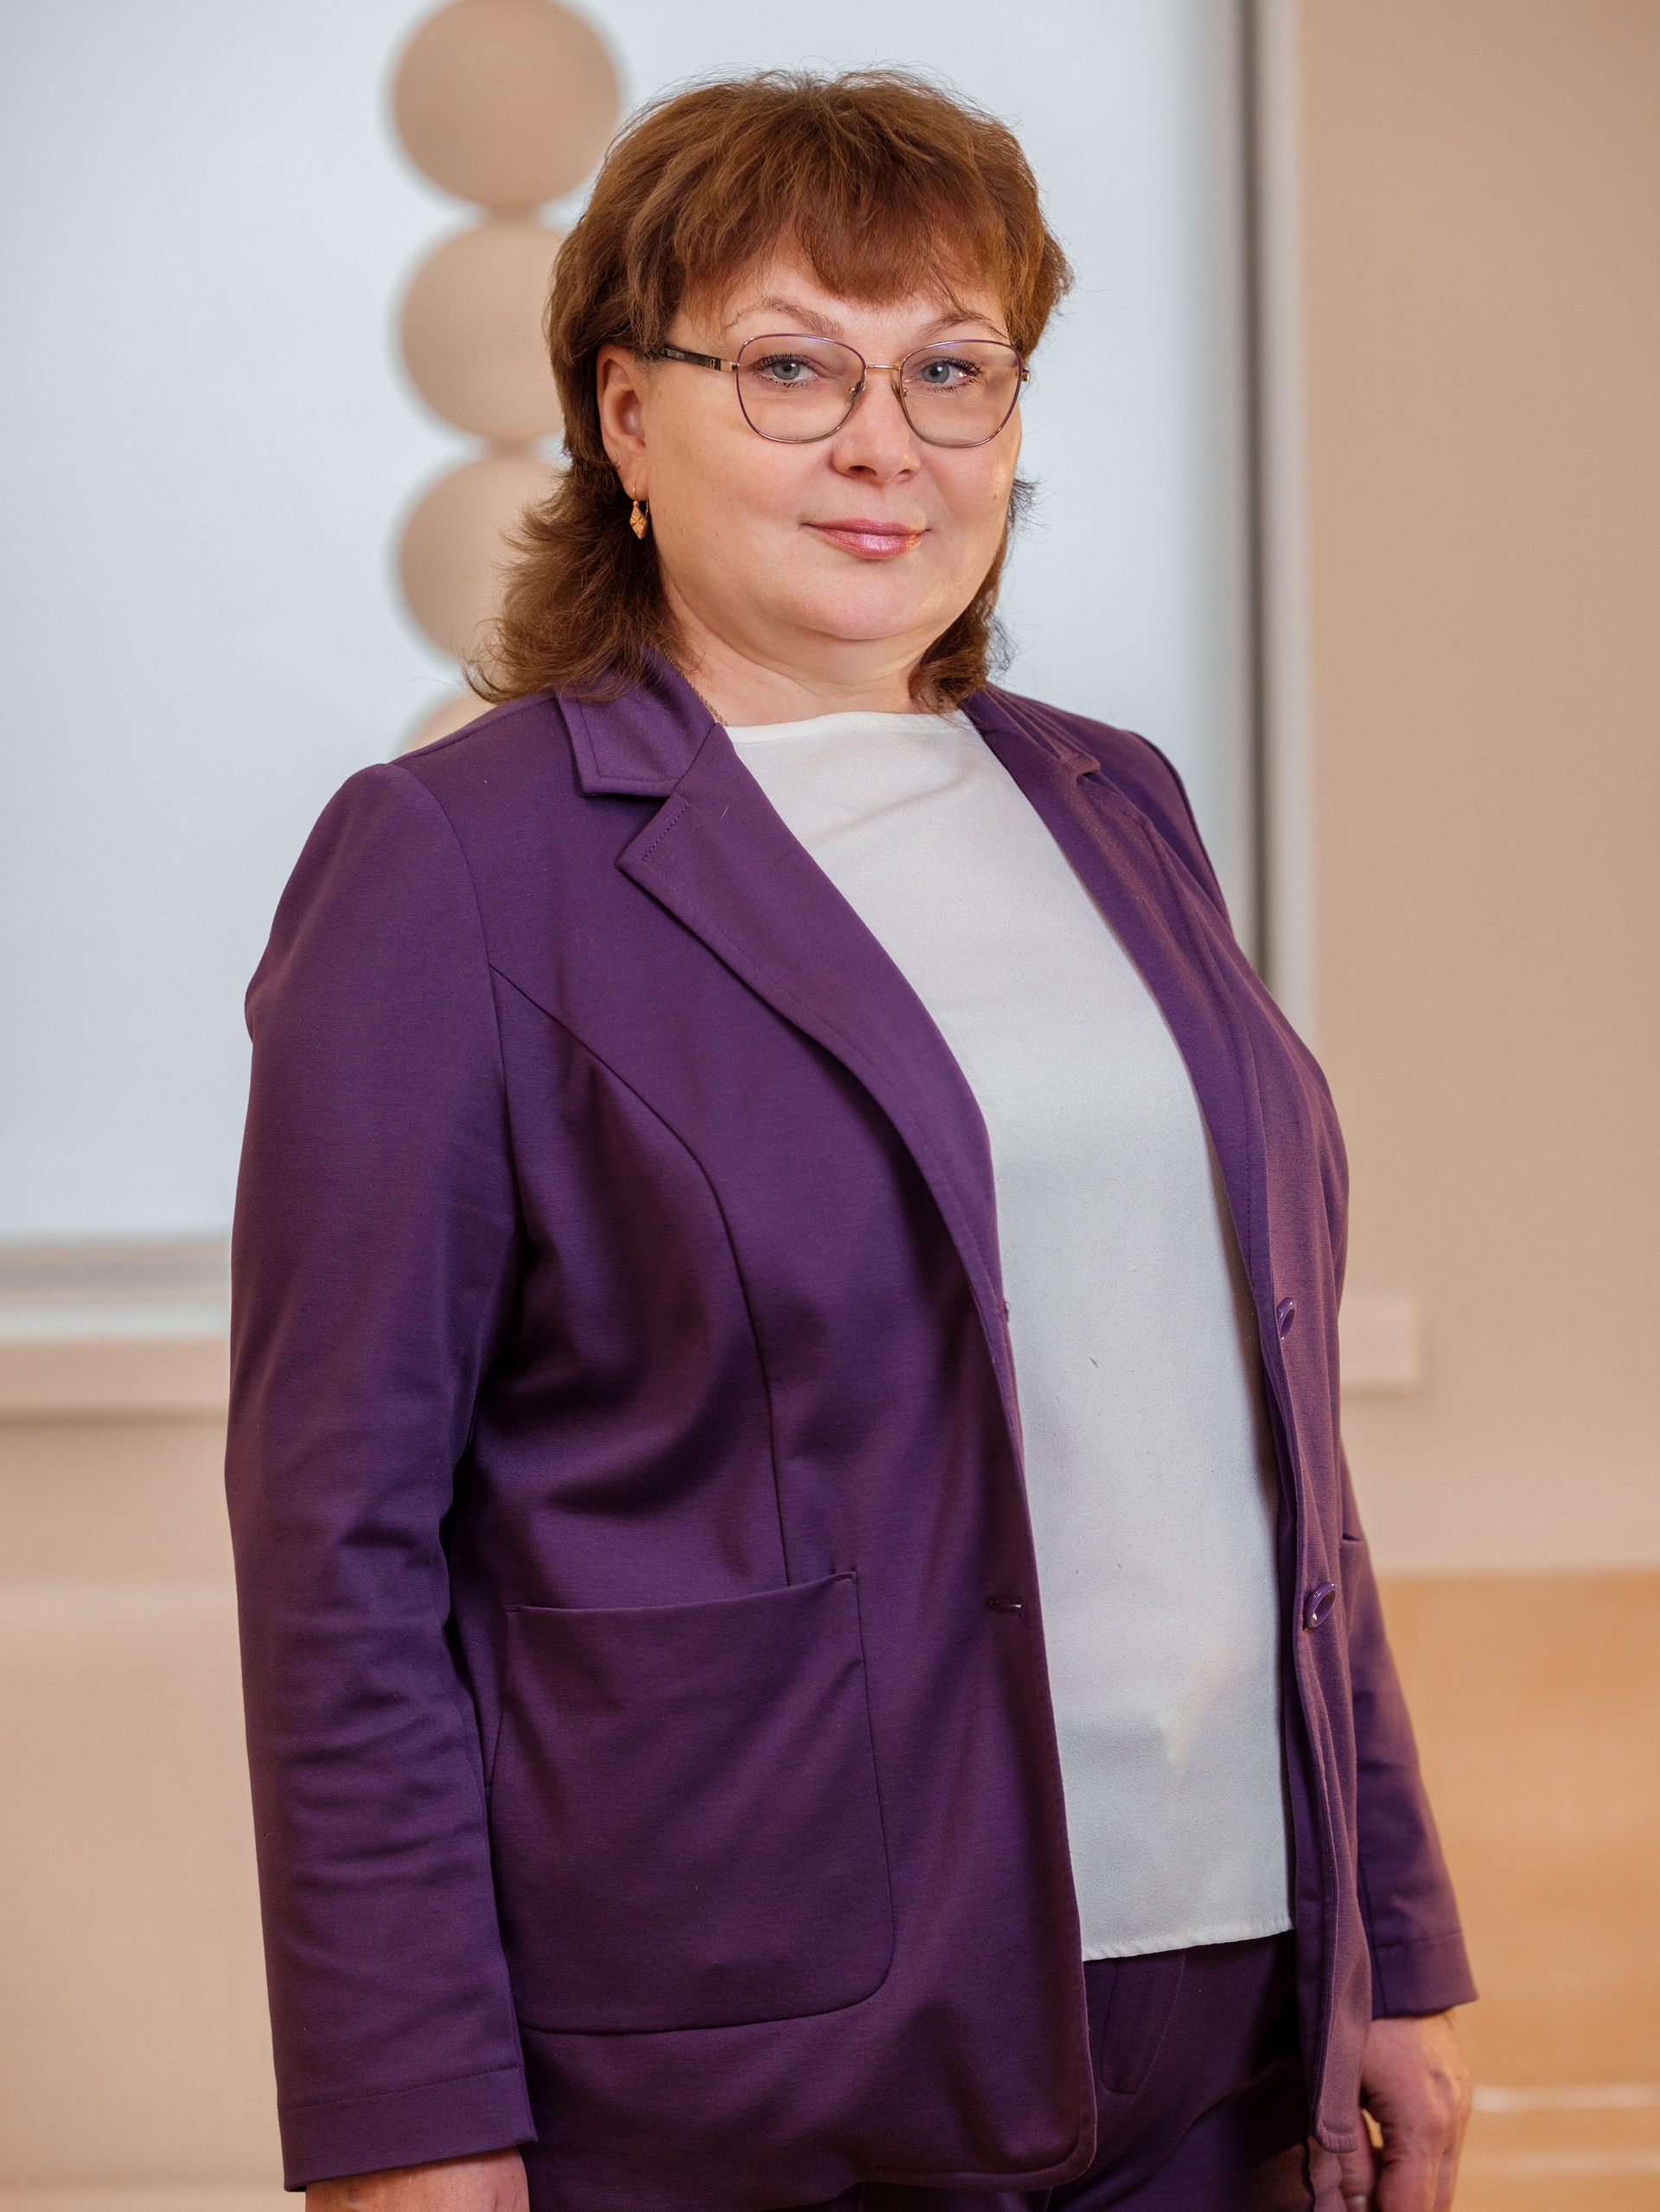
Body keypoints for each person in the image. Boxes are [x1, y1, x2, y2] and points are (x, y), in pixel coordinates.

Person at [226, 69, 1474, 2212]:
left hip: (1232, 2009)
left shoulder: (1119, 805)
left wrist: (1395, 1934)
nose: (888, 443)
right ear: (627, 417)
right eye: (794, 368)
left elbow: (1262, 1433)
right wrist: (405, 2114)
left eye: (952, 369)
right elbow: (341, 1546)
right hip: (757, 2053)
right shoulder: (453, 865)